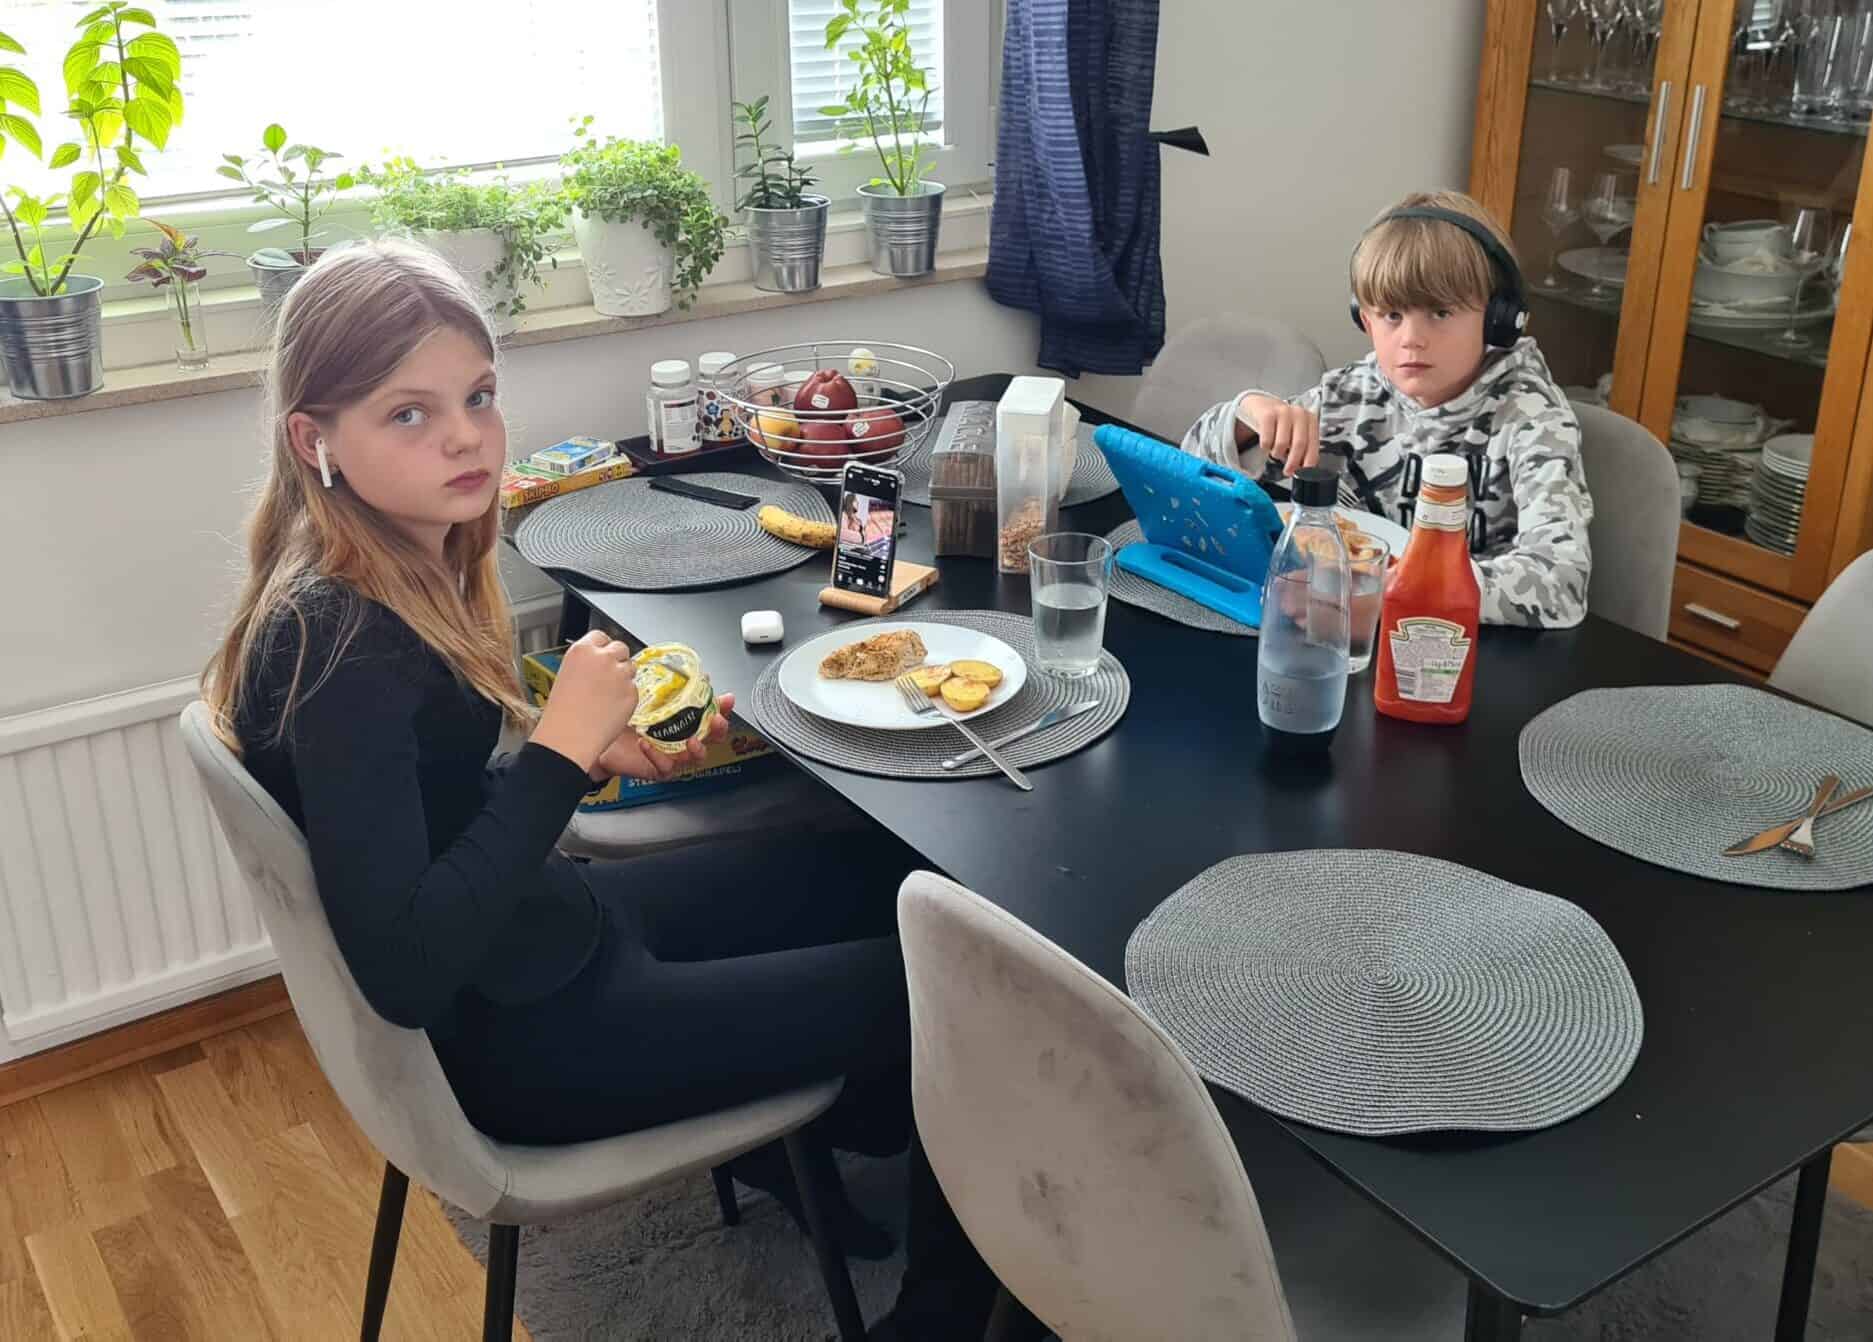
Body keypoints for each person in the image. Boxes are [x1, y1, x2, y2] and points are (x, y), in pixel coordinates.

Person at [201, 240, 994, 1336]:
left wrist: (575, 755)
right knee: (967, 995)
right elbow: (406, 970)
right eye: (408, 413)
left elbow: (424, 809)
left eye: (478, 396)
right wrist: (557, 758)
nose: (466, 436)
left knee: (881, 871)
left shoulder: (378, 572)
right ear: (313, 439)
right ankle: (944, 1311)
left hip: (546, 937)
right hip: (529, 1037)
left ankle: (832, 1116)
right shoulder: (339, 647)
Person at [1181, 190, 1594, 628]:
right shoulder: (1349, 395)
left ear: (1498, 318)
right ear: (1365, 318)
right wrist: (1245, 417)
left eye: (1440, 312)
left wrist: (1398, 591)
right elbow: (1188, 484)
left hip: (1463, 646)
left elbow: (1561, 582)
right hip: (1348, 629)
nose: (1411, 339)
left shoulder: (1532, 417)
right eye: (1392, 315)